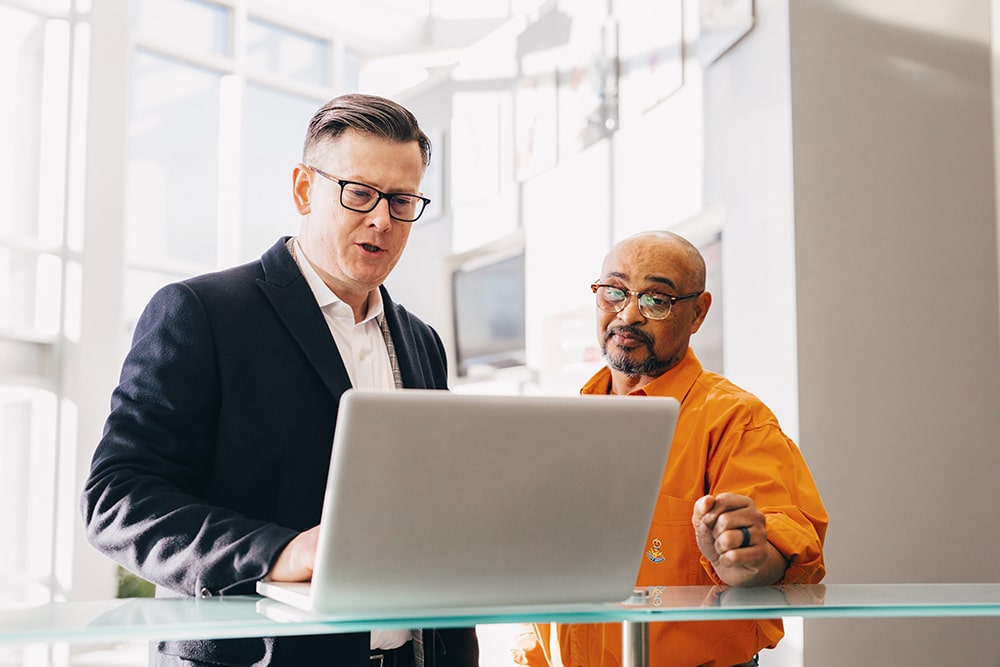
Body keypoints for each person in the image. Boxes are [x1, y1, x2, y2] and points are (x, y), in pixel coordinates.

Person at [80, 93, 479, 667]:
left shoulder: (421, 342)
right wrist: (278, 553)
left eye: (401, 200)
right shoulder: (200, 312)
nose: (381, 220)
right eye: (359, 193)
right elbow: (118, 500)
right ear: (302, 189)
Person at [513, 230, 828, 667]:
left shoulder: (736, 420)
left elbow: (781, 548)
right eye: (613, 292)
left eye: (656, 299)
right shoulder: (569, 424)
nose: (628, 315)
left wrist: (747, 558)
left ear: (698, 313)